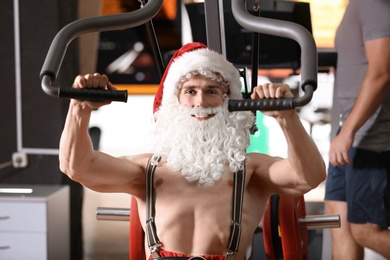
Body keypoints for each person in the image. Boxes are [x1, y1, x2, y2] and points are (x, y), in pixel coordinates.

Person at [59, 42, 326, 259]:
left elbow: (309, 177)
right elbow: (77, 167)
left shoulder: (250, 171)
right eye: (190, 91)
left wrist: (287, 118)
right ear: (176, 103)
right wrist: (79, 109)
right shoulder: (147, 170)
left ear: (227, 101)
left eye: (212, 91)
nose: (201, 102)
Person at [324, 0, 390, 259]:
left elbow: (382, 72)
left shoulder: (374, 5)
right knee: (340, 225)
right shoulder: (359, 5)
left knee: (365, 231)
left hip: (371, 139)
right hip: (351, 135)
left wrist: (348, 131)